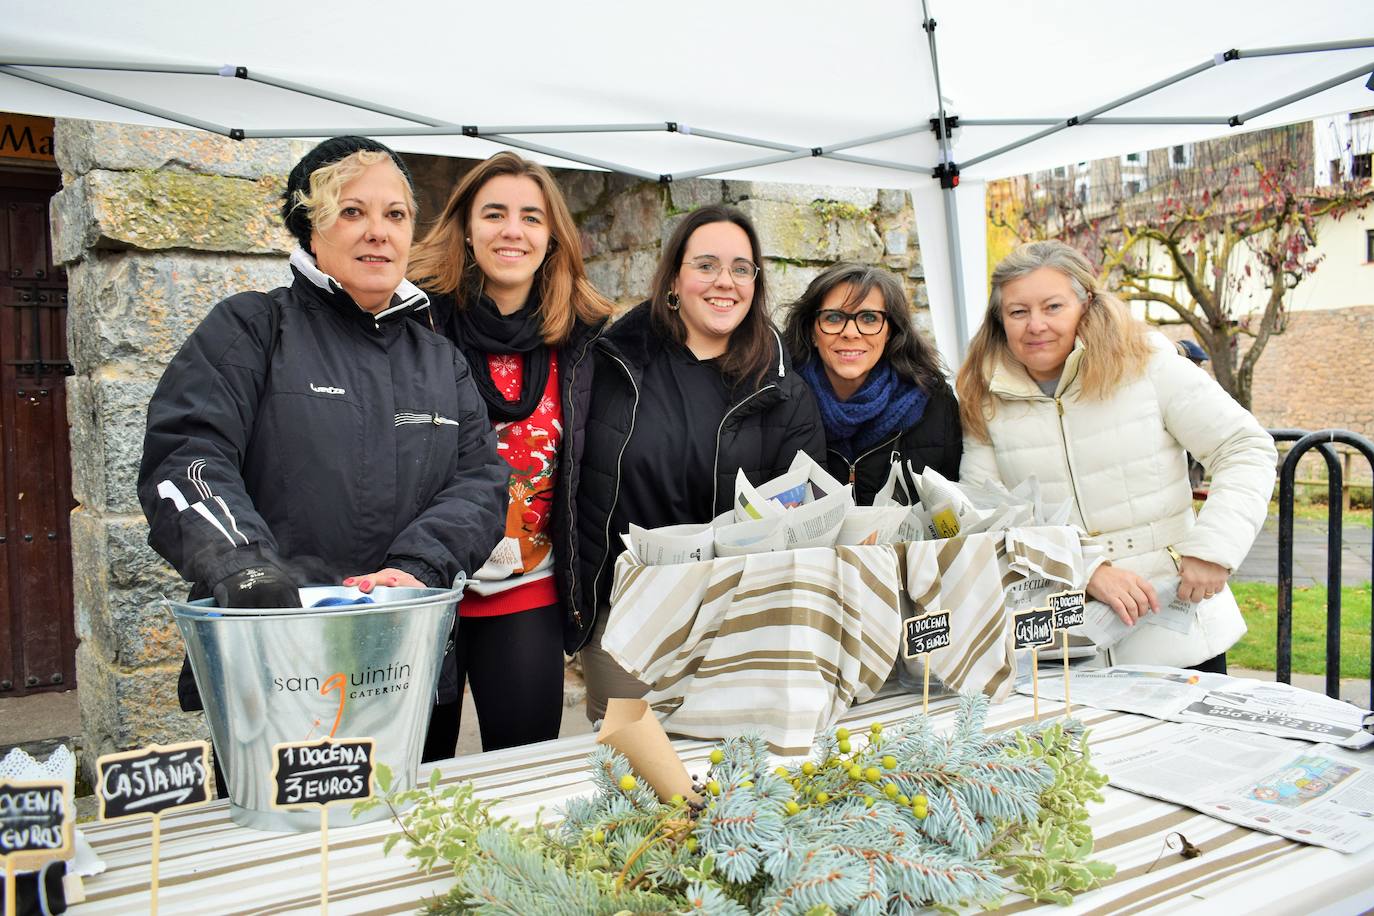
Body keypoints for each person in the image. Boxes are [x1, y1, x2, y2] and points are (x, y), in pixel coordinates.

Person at [139, 136, 508, 721]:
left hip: (401, 654)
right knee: (279, 815)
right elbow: (187, 455)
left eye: (395, 215)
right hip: (273, 655)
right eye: (351, 211)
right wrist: (244, 567)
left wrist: (417, 569)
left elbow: (481, 483)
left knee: (411, 812)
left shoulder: (440, 360)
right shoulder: (253, 328)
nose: (377, 231)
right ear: (312, 228)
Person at [955, 240, 1276, 672]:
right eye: (1018, 312)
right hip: (1061, 638)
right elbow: (984, 516)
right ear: (1000, 319)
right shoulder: (985, 397)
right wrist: (1087, 570)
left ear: (1085, 304)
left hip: (1172, 625)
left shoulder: (1148, 366)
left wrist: (1214, 548)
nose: (1036, 325)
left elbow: (1245, 447)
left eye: (1053, 307)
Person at [565, 205, 826, 720]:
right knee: (630, 781)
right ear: (674, 280)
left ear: (756, 283)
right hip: (626, 622)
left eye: (740, 268)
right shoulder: (611, 368)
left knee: (736, 784)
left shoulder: (784, 391)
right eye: (705, 265)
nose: (724, 282)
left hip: (740, 628)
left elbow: (807, 522)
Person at [407, 152, 614, 758]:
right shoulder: (413, 326)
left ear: (552, 237)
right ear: (466, 229)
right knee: (416, 778)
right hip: (423, 591)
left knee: (524, 770)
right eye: (494, 214)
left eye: (531, 217)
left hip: (526, 589)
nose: (512, 231)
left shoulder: (582, 340)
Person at [781, 263, 961, 504]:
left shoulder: (935, 402)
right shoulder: (782, 402)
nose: (851, 332)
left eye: (868, 318)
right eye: (833, 317)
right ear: (812, 332)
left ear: (889, 332)